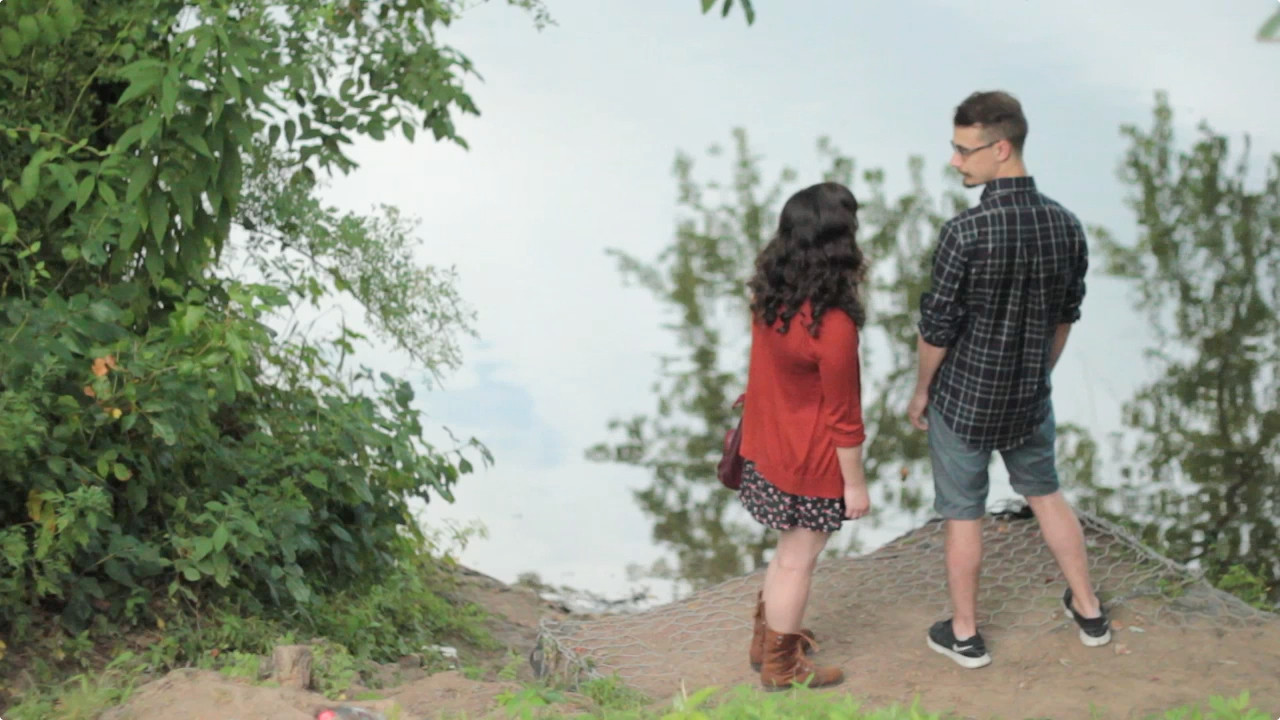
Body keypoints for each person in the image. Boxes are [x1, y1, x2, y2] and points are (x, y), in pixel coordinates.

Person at [908, 90, 1112, 670]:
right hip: (1029, 397)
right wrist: (1038, 374)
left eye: (964, 150)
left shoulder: (964, 232)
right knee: (1046, 494)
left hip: (964, 398)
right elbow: (1066, 316)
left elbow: (937, 328)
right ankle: (1090, 611)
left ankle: (966, 634)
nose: (955, 161)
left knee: (963, 513)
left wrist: (922, 391)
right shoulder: (1066, 225)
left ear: (1001, 149)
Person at [738, 181, 871, 690]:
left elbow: (766, 369)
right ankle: (782, 666)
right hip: (809, 460)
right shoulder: (831, 325)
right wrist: (854, 485)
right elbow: (844, 416)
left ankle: (768, 639)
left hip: (768, 444)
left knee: (785, 552)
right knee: (798, 561)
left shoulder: (769, 296)